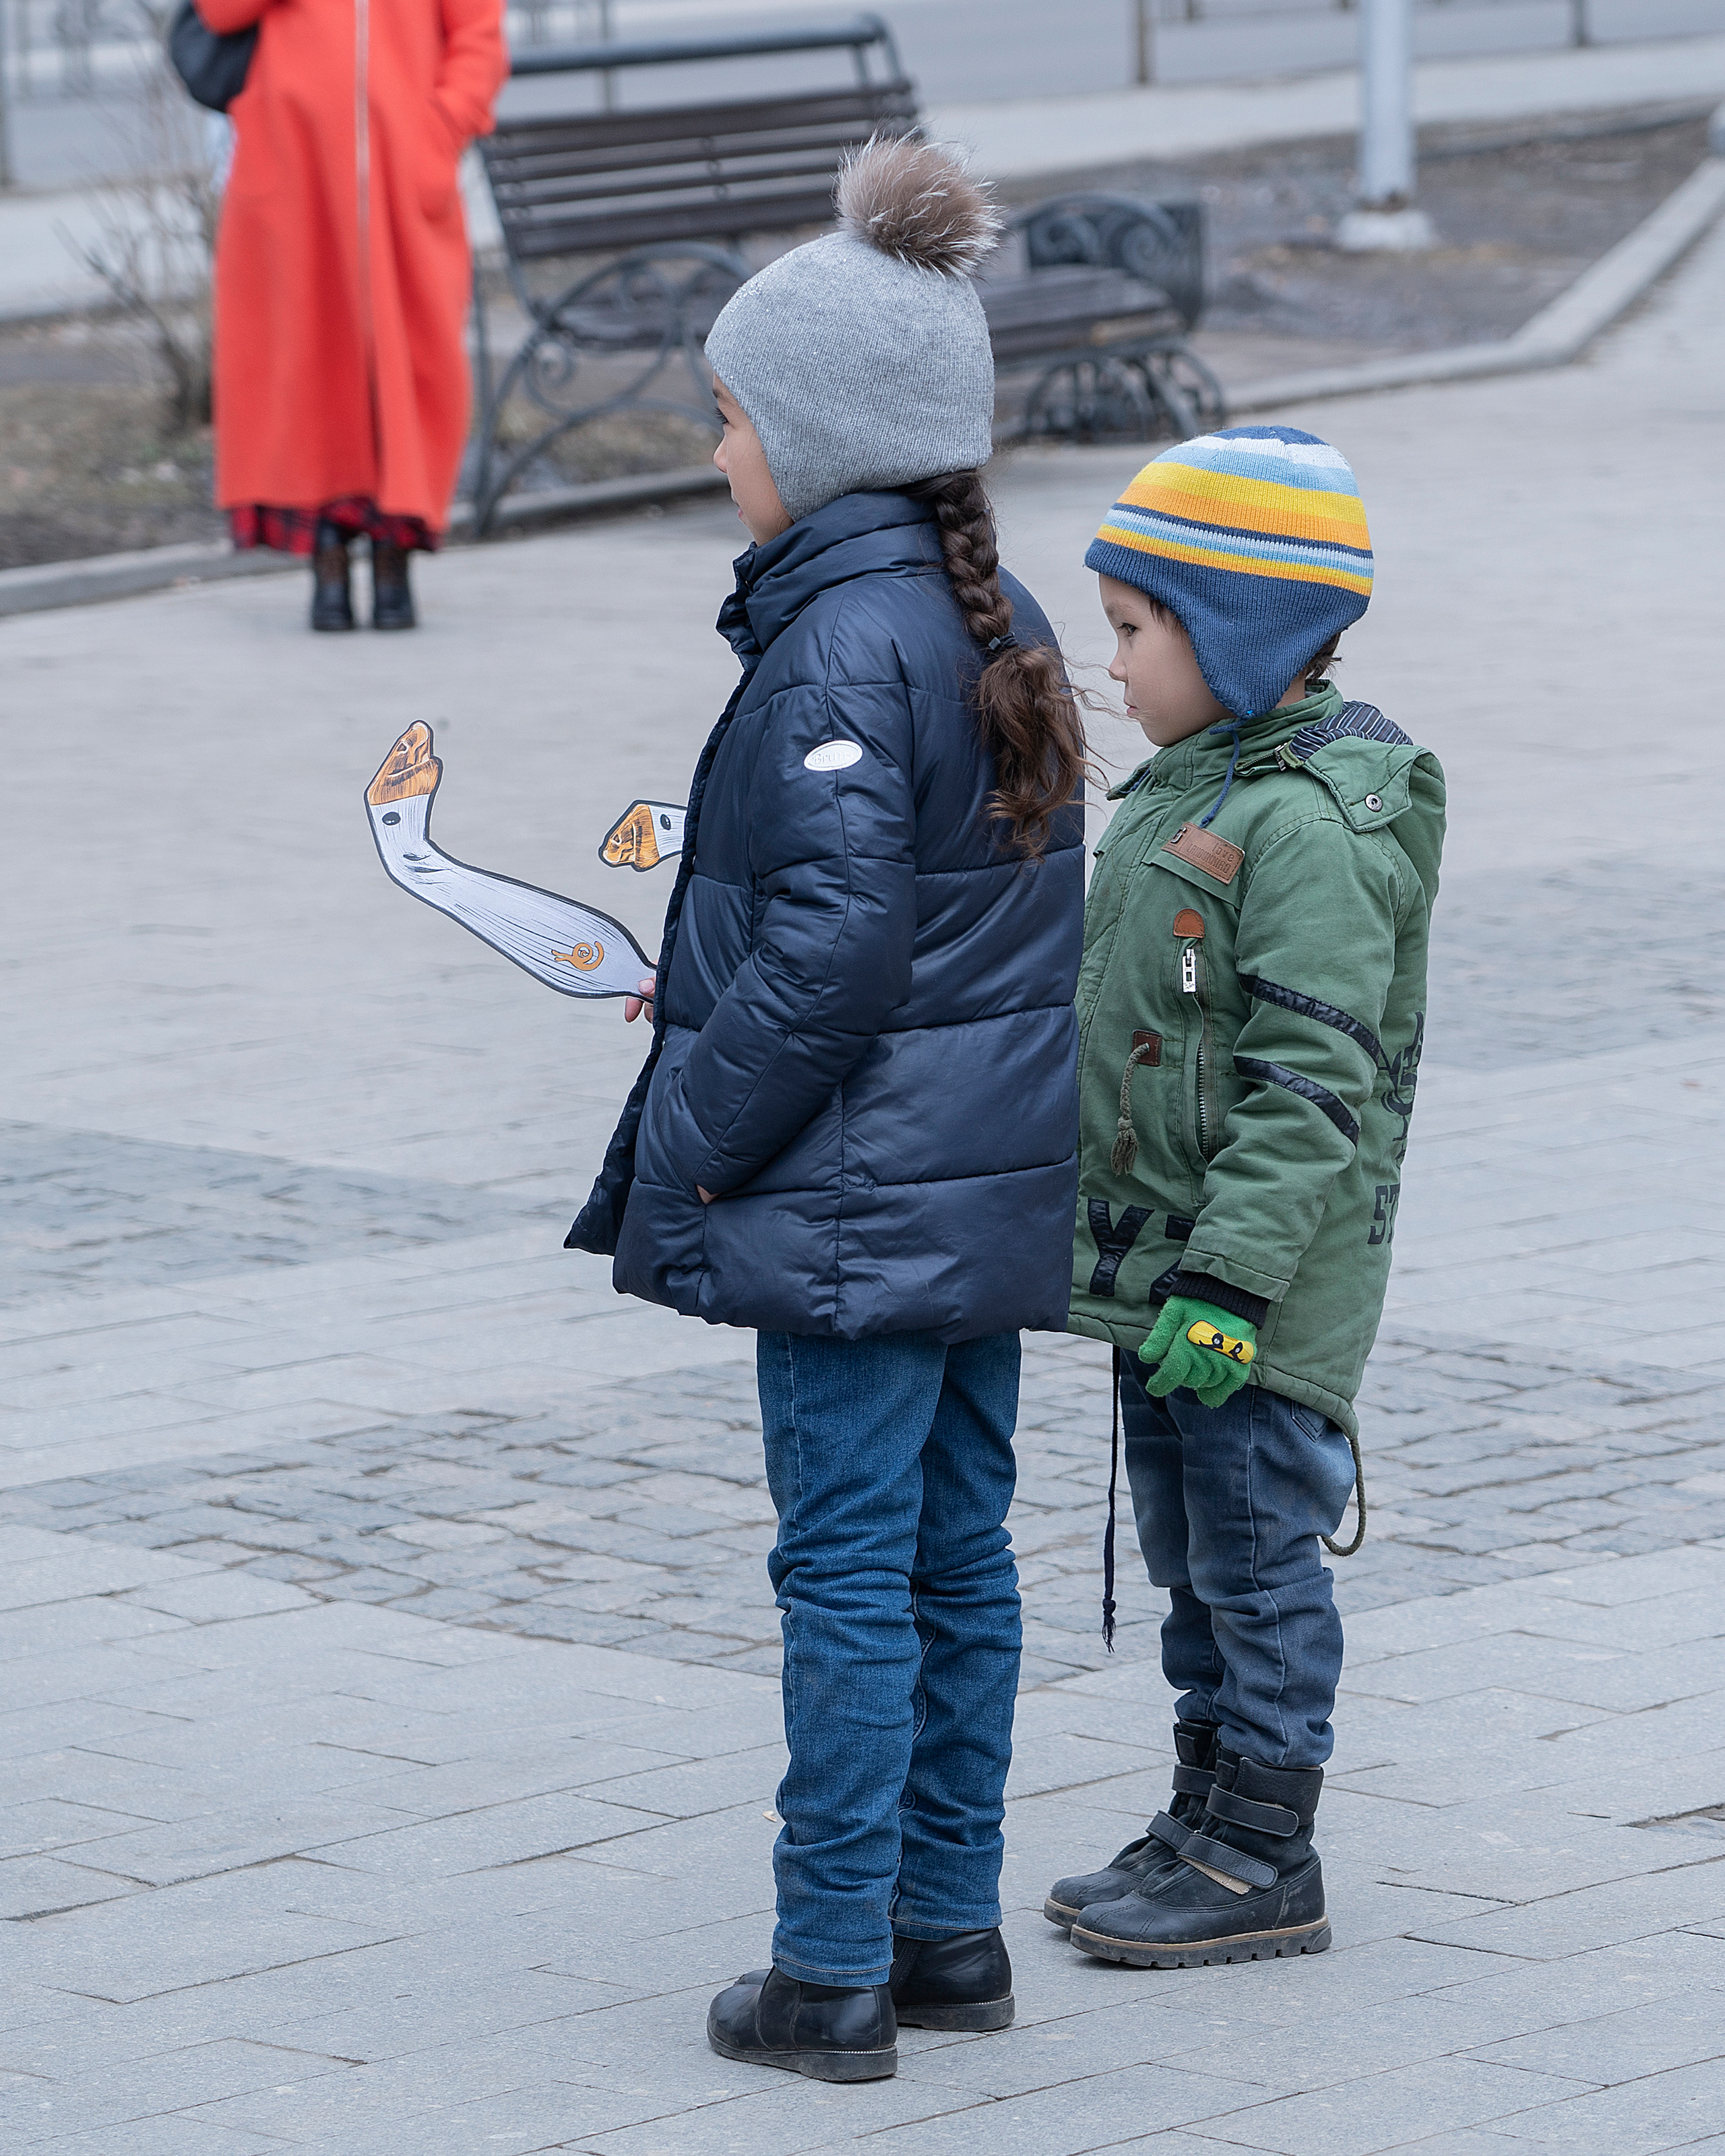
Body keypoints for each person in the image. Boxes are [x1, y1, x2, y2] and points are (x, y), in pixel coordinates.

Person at [567, 137, 1086, 2081]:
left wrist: (692, 1126)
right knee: (961, 1560)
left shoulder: (835, 647)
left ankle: (827, 1971)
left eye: (728, 421)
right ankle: (946, 1934)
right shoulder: (994, 611)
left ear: (820, 437)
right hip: (976, 1199)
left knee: (852, 1571)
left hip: (856, 1205)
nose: (719, 456)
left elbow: (837, 953)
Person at [1044, 428, 1445, 1969]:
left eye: (1136, 632)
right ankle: (1200, 1811)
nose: (1115, 667)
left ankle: (1262, 1852)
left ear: (1242, 633)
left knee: (1257, 1563)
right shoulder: (1195, 779)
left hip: (1249, 1298)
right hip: (1170, 1280)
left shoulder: (1314, 827)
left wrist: (1226, 1286)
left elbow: (1310, 1088)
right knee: (1190, 1559)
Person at [201, 0, 507, 632]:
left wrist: (441, 128)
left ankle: (395, 561)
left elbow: (478, 37)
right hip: (289, 167)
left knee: (414, 365)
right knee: (302, 361)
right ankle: (327, 564)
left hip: (405, 177)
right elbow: (220, 12)